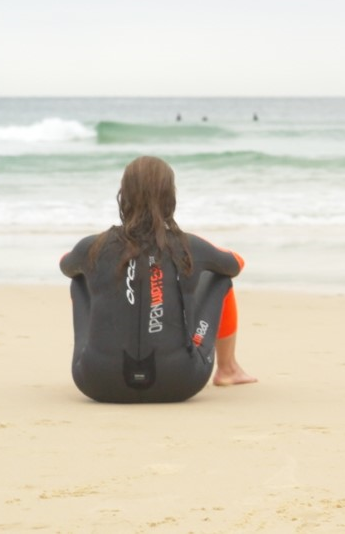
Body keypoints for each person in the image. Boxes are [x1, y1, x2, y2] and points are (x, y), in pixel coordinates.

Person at [59, 156, 256, 403]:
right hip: (180, 381)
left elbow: (65, 265)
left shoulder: (92, 246)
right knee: (220, 279)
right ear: (170, 198)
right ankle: (228, 370)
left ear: (124, 195)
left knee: (79, 279)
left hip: (97, 381)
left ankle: (101, 352)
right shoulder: (189, 246)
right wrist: (203, 259)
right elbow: (234, 265)